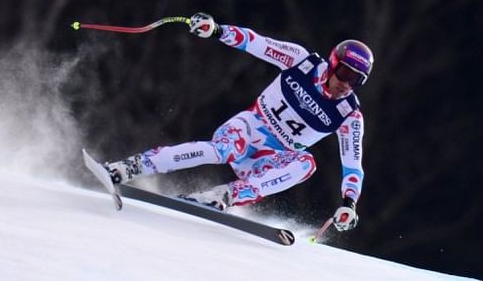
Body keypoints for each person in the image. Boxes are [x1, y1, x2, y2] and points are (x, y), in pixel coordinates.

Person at [104, 12, 374, 232]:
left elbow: (353, 166)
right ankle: (130, 166)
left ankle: (223, 196)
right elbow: (257, 43)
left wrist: (349, 204)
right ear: (333, 62)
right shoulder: (300, 62)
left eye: (356, 80)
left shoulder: (349, 115)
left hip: (270, 157)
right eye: (344, 73)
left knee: (306, 164)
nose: (346, 84)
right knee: (221, 150)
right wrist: (217, 30)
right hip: (250, 128)